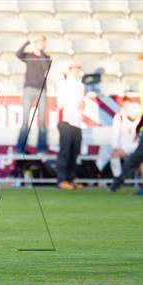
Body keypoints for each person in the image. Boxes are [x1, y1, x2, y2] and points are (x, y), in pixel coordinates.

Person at [15, 34, 51, 154]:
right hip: (29, 89)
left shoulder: (46, 57)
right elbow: (18, 54)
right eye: (37, 42)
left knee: (41, 121)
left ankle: (41, 148)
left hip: (42, 90)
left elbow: (46, 68)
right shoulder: (29, 56)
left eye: (41, 42)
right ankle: (20, 148)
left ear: (44, 44)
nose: (39, 44)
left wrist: (40, 53)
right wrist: (27, 42)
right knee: (25, 121)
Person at [54, 59, 86, 190]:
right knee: (65, 152)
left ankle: (71, 179)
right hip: (66, 122)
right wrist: (69, 64)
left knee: (74, 153)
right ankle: (62, 180)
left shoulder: (81, 85)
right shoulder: (64, 81)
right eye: (74, 68)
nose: (77, 70)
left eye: (78, 67)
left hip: (77, 123)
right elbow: (56, 71)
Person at [110, 97, 141, 178]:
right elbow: (115, 134)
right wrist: (116, 148)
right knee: (114, 155)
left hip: (136, 148)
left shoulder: (139, 119)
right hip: (123, 148)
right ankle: (118, 179)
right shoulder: (119, 117)